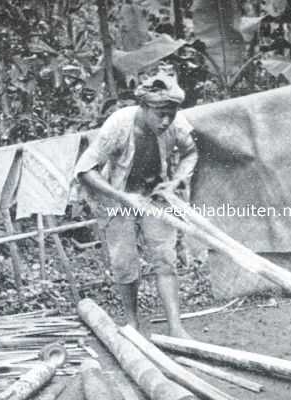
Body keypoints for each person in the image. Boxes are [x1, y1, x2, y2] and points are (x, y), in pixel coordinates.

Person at [74, 71, 198, 338]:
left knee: (165, 258)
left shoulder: (176, 123)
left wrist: (175, 181)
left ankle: (176, 326)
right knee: (124, 261)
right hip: (117, 196)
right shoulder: (119, 124)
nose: (166, 121)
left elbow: (190, 152)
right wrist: (123, 198)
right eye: (160, 114)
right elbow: (85, 169)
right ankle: (132, 322)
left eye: (171, 113)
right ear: (143, 106)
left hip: (155, 195)